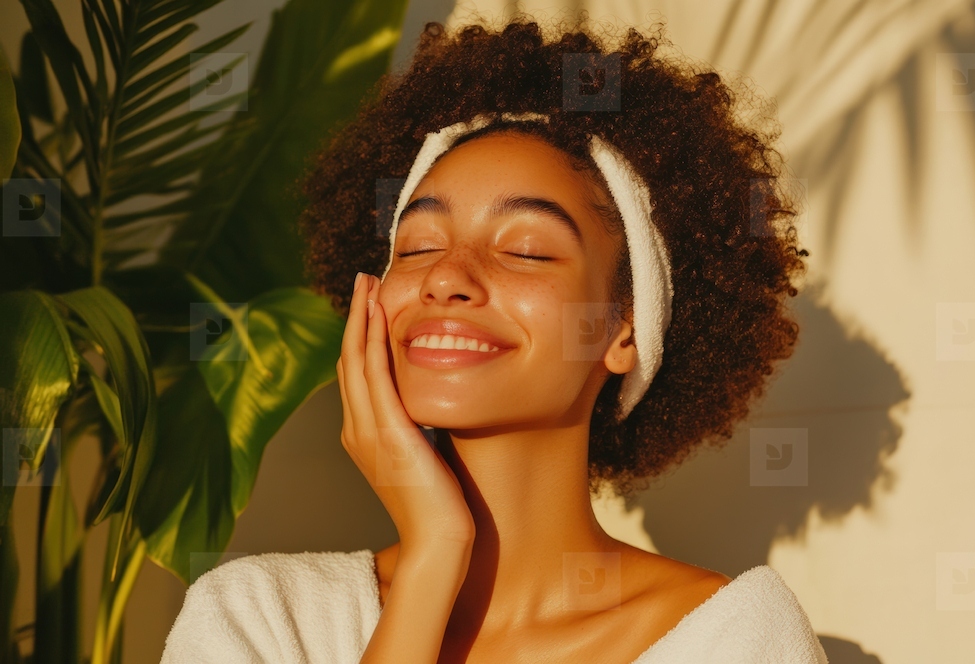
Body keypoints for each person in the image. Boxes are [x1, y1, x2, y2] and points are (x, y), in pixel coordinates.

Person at [161, 18, 824, 663]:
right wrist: (432, 556)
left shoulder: (729, 641)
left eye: (528, 251)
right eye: (416, 246)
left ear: (626, 332)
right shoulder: (260, 619)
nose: (447, 277)